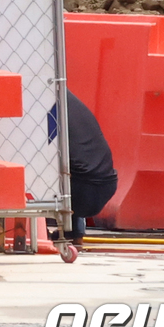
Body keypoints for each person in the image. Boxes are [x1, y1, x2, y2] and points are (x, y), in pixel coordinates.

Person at [65, 90, 118, 247]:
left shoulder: (44, 101)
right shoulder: (67, 99)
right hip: (107, 183)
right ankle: (75, 233)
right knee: (74, 161)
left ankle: (28, 234)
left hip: (82, 190)